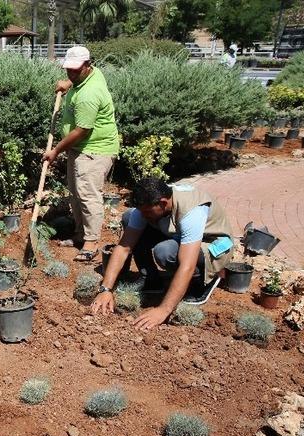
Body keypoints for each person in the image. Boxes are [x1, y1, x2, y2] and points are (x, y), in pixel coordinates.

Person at [91, 178, 235, 330]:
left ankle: (199, 284)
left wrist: (163, 310)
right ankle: (152, 280)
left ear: (163, 203)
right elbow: (123, 247)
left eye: (147, 211)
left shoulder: (192, 212)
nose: (143, 215)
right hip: (178, 233)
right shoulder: (152, 204)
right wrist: (106, 289)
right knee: (129, 217)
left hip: (212, 244)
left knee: (165, 252)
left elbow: (187, 265)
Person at [43, 45, 120, 263]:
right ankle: (80, 234)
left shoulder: (89, 94)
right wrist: (68, 84)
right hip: (80, 147)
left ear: (87, 65)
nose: (71, 73)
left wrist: (56, 150)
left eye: (75, 71)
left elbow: (81, 130)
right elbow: (76, 80)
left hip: (94, 149)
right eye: (68, 70)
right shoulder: (92, 75)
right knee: (76, 192)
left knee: (88, 195)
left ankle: (91, 243)